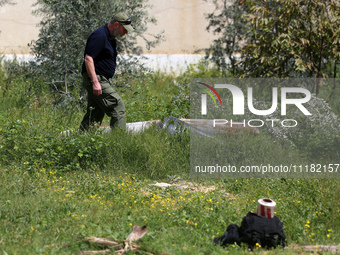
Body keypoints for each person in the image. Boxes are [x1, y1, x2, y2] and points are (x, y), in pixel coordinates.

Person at [79, 13, 134, 131]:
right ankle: (118, 142)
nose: (126, 33)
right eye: (125, 29)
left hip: (101, 79)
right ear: (116, 25)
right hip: (96, 79)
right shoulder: (99, 36)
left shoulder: (110, 38)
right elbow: (88, 59)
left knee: (95, 113)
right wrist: (95, 82)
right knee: (118, 106)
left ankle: (82, 141)